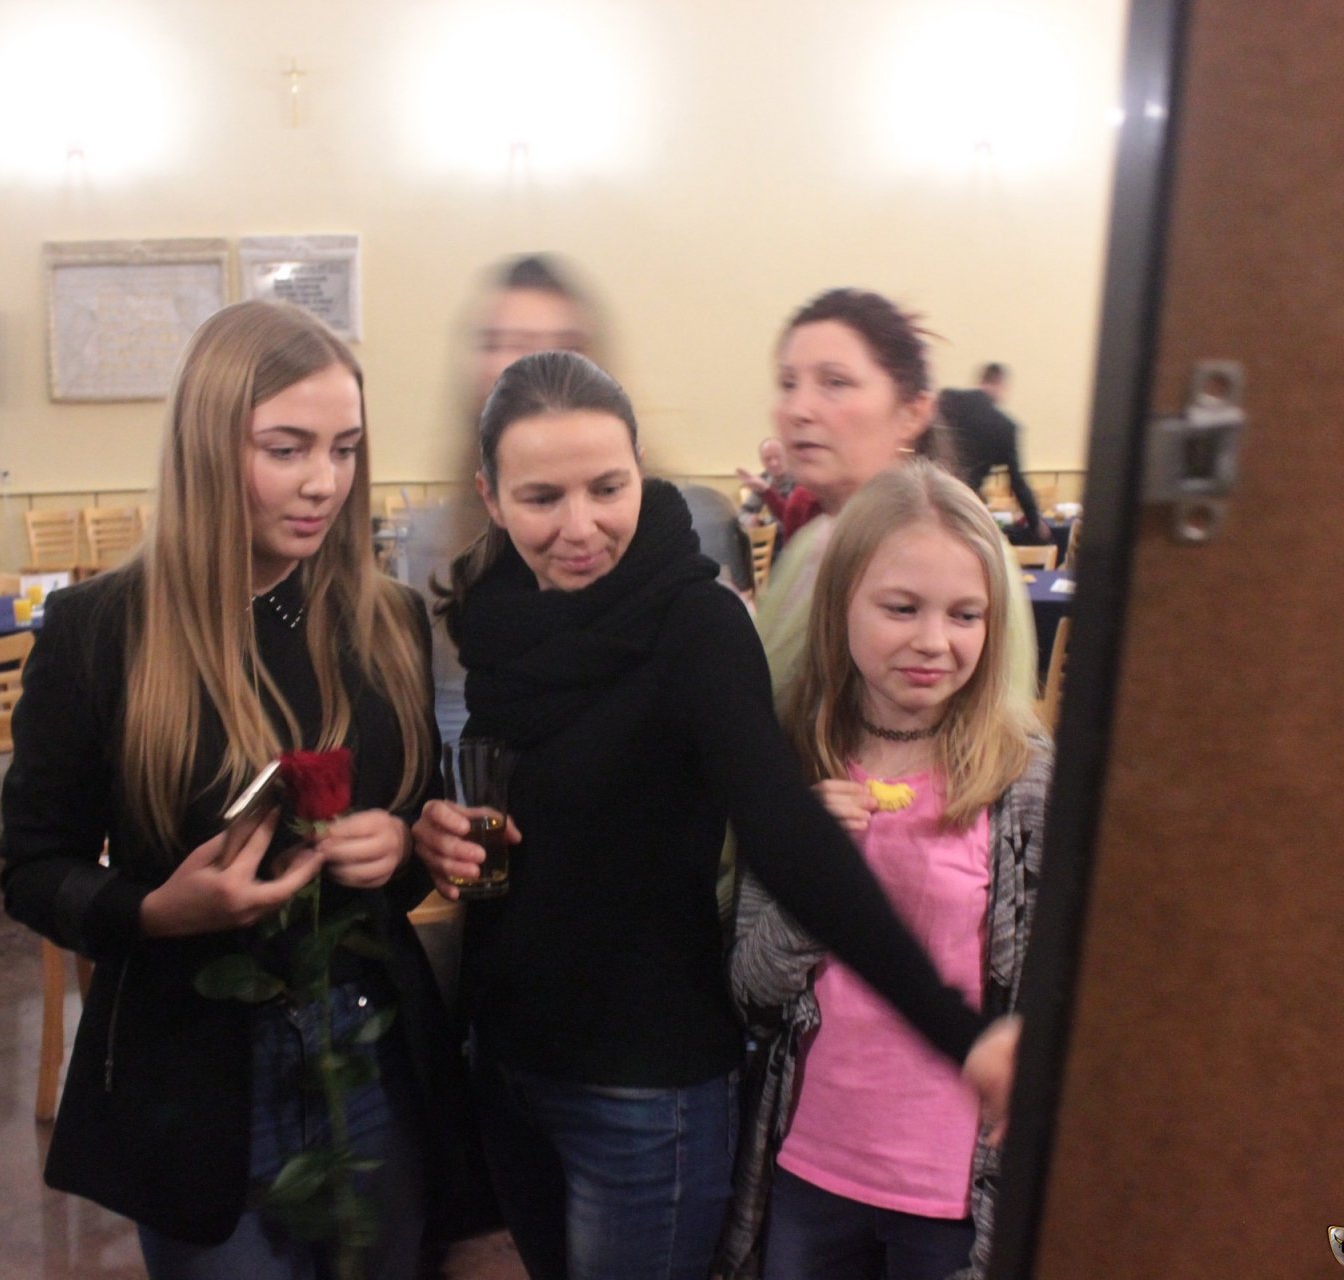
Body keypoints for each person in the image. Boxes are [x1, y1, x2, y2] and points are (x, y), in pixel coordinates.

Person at [410, 350, 1019, 1280]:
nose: (580, 526)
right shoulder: (494, 622)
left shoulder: (694, 623)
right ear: (492, 498)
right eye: (541, 498)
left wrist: (957, 1029)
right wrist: (438, 831)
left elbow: (788, 837)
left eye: (607, 487)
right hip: (509, 1064)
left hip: (644, 1088)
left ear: (639, 471)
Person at [0, 300, 456, 1279]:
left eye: (344, 449)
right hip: (201, 1074)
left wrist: (402, 842)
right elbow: (33, 869)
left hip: (372, 1054)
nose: (323, 481)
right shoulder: (101, 631)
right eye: (286, 449)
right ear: (207, 448)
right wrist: (156, 911)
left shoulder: (389, 620)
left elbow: (422, 821)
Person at [723, 463, 1052, 1280]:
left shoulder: (1022, 777)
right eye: (901, 608)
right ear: (841, 604)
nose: (934, 641)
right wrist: (812, 878)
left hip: (954, 1185)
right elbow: (752, 988)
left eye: (965, 614)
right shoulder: (794, 758)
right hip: (813, 1161)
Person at [754, 290, 1038, 707]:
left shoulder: (964, 555)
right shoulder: (814, 542)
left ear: (912, 413)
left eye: (835, 383)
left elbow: (1000, 734)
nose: (798, 409)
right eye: (788, 384)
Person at [400, 254, 606, 746]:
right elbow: (445, 710)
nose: (535, 368)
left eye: (559, 345)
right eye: (509, 344)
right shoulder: (438, 541)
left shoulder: (660, 528)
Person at [936, 364, 1050, 542]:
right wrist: (1035, 522)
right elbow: (1017, 482)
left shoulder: (947, 399)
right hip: (963, 504)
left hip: (928, 495)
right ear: (1000, 385)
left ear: (981, 380)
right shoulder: (1005, 426)